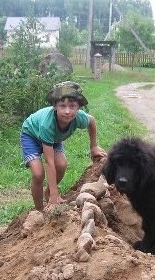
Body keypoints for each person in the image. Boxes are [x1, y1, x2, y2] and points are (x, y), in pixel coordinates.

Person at [20, 81, 107, 212]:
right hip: (31, 135)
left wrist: (94, 146)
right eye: (62, 106)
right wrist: (56, 194)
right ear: (55, 106)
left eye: (72, 106)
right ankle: (39, 210)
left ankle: (49, 193)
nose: (67, 111)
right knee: (38, 173)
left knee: (61, 164)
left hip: (53, 138)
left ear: (79, 107)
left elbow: (92, 121)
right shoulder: (47, 124)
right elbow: (49, 162)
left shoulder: (79, 118)